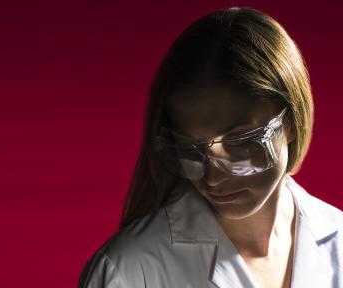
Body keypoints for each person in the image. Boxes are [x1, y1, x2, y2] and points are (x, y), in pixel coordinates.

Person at [78, 7, 343, 288]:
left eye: (240, 142)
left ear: (289, 121)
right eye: (191, 148)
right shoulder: (129, 271)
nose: (212, 178)